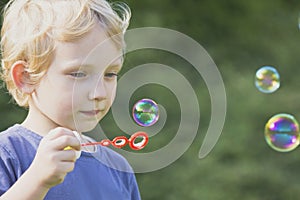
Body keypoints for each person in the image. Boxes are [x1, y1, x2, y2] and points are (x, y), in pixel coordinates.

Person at [0, 0, 141, 199]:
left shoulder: (118, 169)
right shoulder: (7, 154)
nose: (99, 92)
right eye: (78, 74)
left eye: (110, 74)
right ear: (25, 77)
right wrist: (37, 180)